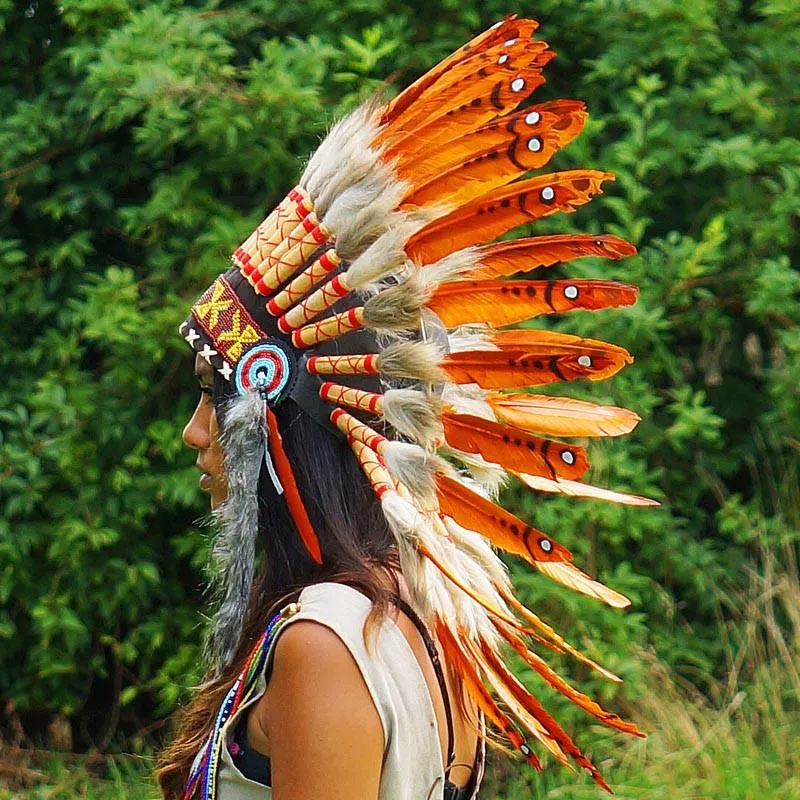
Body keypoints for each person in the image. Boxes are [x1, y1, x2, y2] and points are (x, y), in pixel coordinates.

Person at [157, 15, 653, 800]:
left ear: (281, 423)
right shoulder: (425, 605)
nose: (192, 432)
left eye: (217, 395)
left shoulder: (326, 639)